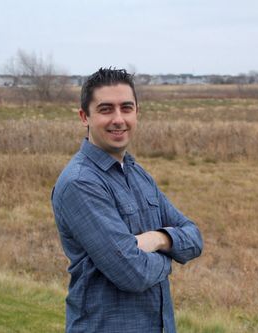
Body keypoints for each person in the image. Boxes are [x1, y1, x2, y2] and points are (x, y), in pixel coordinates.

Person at [51, 67, 203, 333]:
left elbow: (194, 237)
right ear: (84, 117)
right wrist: (170, 257)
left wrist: (158, 239)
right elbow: (132, 273)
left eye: (126, 108)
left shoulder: (137, 174)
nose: (118, 119)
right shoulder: (80, 183)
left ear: (137, 113)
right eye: (106, 109)